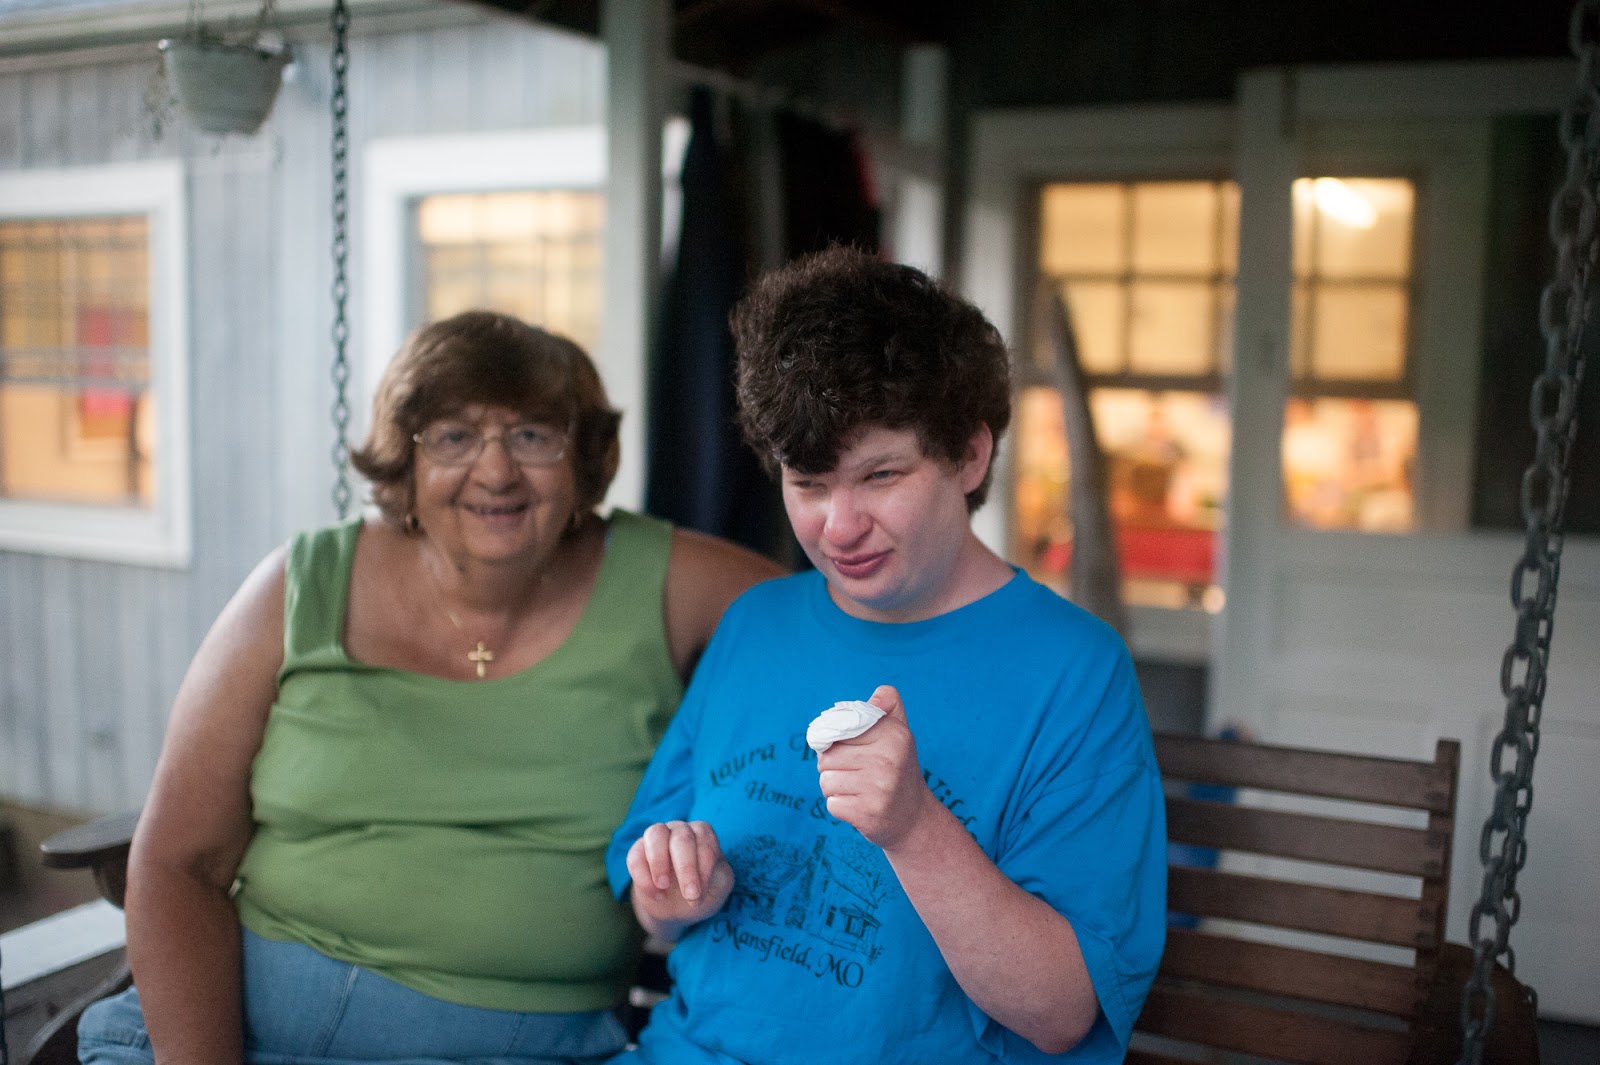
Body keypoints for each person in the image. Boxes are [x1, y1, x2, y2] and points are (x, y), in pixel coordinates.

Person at [77, 311, 782, 1065]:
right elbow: (177, 863)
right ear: (403, 462)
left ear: (583, 459)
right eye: (453, 436)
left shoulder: (668, 583)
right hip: (239, 1037)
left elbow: (837, 622)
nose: (496, 471)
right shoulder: (302, 585)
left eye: (533, 435)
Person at [605, 247, 1167, 1064]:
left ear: (969, 455)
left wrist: (913, 827)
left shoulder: (1075, 671)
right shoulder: (756, 622)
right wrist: (676, 889)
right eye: (808, 482)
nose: (838, 526)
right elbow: (649, 901)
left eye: (879, 475)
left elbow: (1061, 1013)